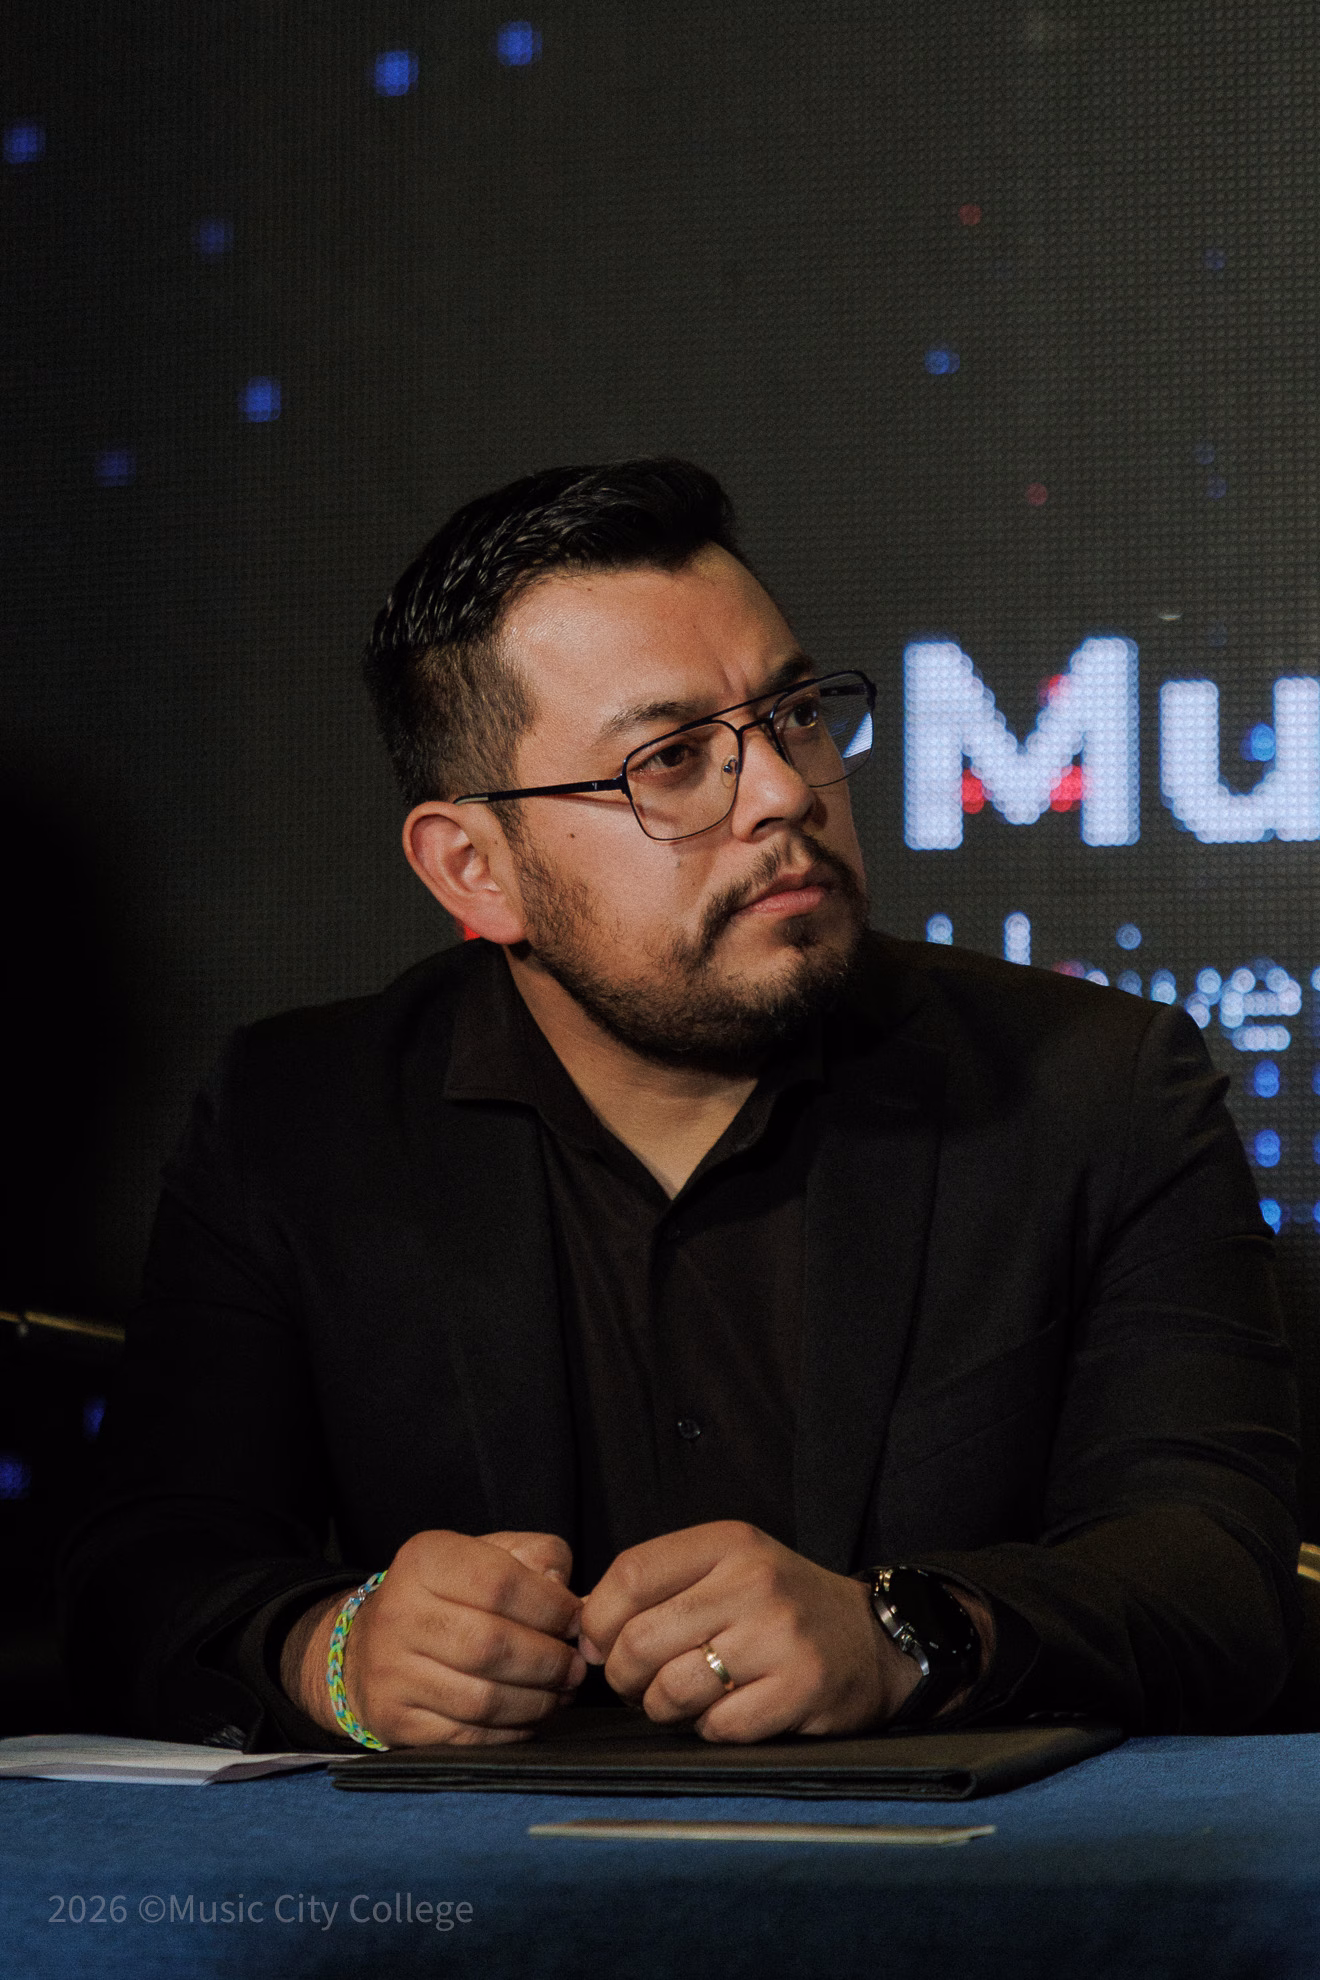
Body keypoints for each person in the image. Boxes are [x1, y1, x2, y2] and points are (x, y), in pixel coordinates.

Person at [61, 459, 1301, 1752]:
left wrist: (901, 1635)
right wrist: (337, 1652)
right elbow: (137, 1578)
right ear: (475, 870)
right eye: (671, 760)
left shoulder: (1097, 1086)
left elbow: (1219, 1577)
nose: (784, 792)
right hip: (469, 1877)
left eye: (796, 714)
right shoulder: (298, 1122)